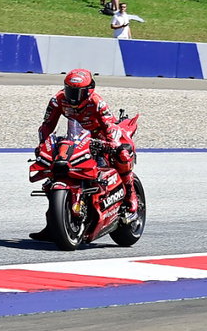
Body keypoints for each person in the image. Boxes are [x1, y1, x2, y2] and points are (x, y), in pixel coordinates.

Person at [30, 69, 137, 239]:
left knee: (122, 154)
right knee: (54, 170)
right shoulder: (57, 100)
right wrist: (43, 144)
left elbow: (109, 125)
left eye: (78, 92)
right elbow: (47, 125)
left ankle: (131, 195)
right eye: (69, 90)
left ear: (89, 90)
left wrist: (112, 144)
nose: (73, 97)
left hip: (99, 137)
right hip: (76, 138)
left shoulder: (97, 102)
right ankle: (54, 224)